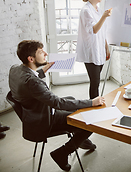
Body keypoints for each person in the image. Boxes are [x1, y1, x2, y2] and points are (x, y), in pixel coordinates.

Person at [9, 40, 106, 171]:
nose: (46, 53)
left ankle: (80, 138)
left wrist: (43, 70)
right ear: (31, 58)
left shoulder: (15, 69)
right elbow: (57, 103)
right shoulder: (33, 83)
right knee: (89, 122)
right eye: (41, 52)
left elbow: (29, 81)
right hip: (44, 120)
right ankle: (63, 152)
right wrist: (91, 102)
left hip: (32, 114)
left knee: (71, 100)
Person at [76, 0, 112, 99]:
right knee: (95, 81)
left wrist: (106, 48)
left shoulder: (99, 10)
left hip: (100, 49)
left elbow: (103, 32)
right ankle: (93, 104)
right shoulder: (86, 10)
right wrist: (104, 16)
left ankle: (95, 103)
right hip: (91, 50)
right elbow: (94, 30)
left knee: (96, 80)